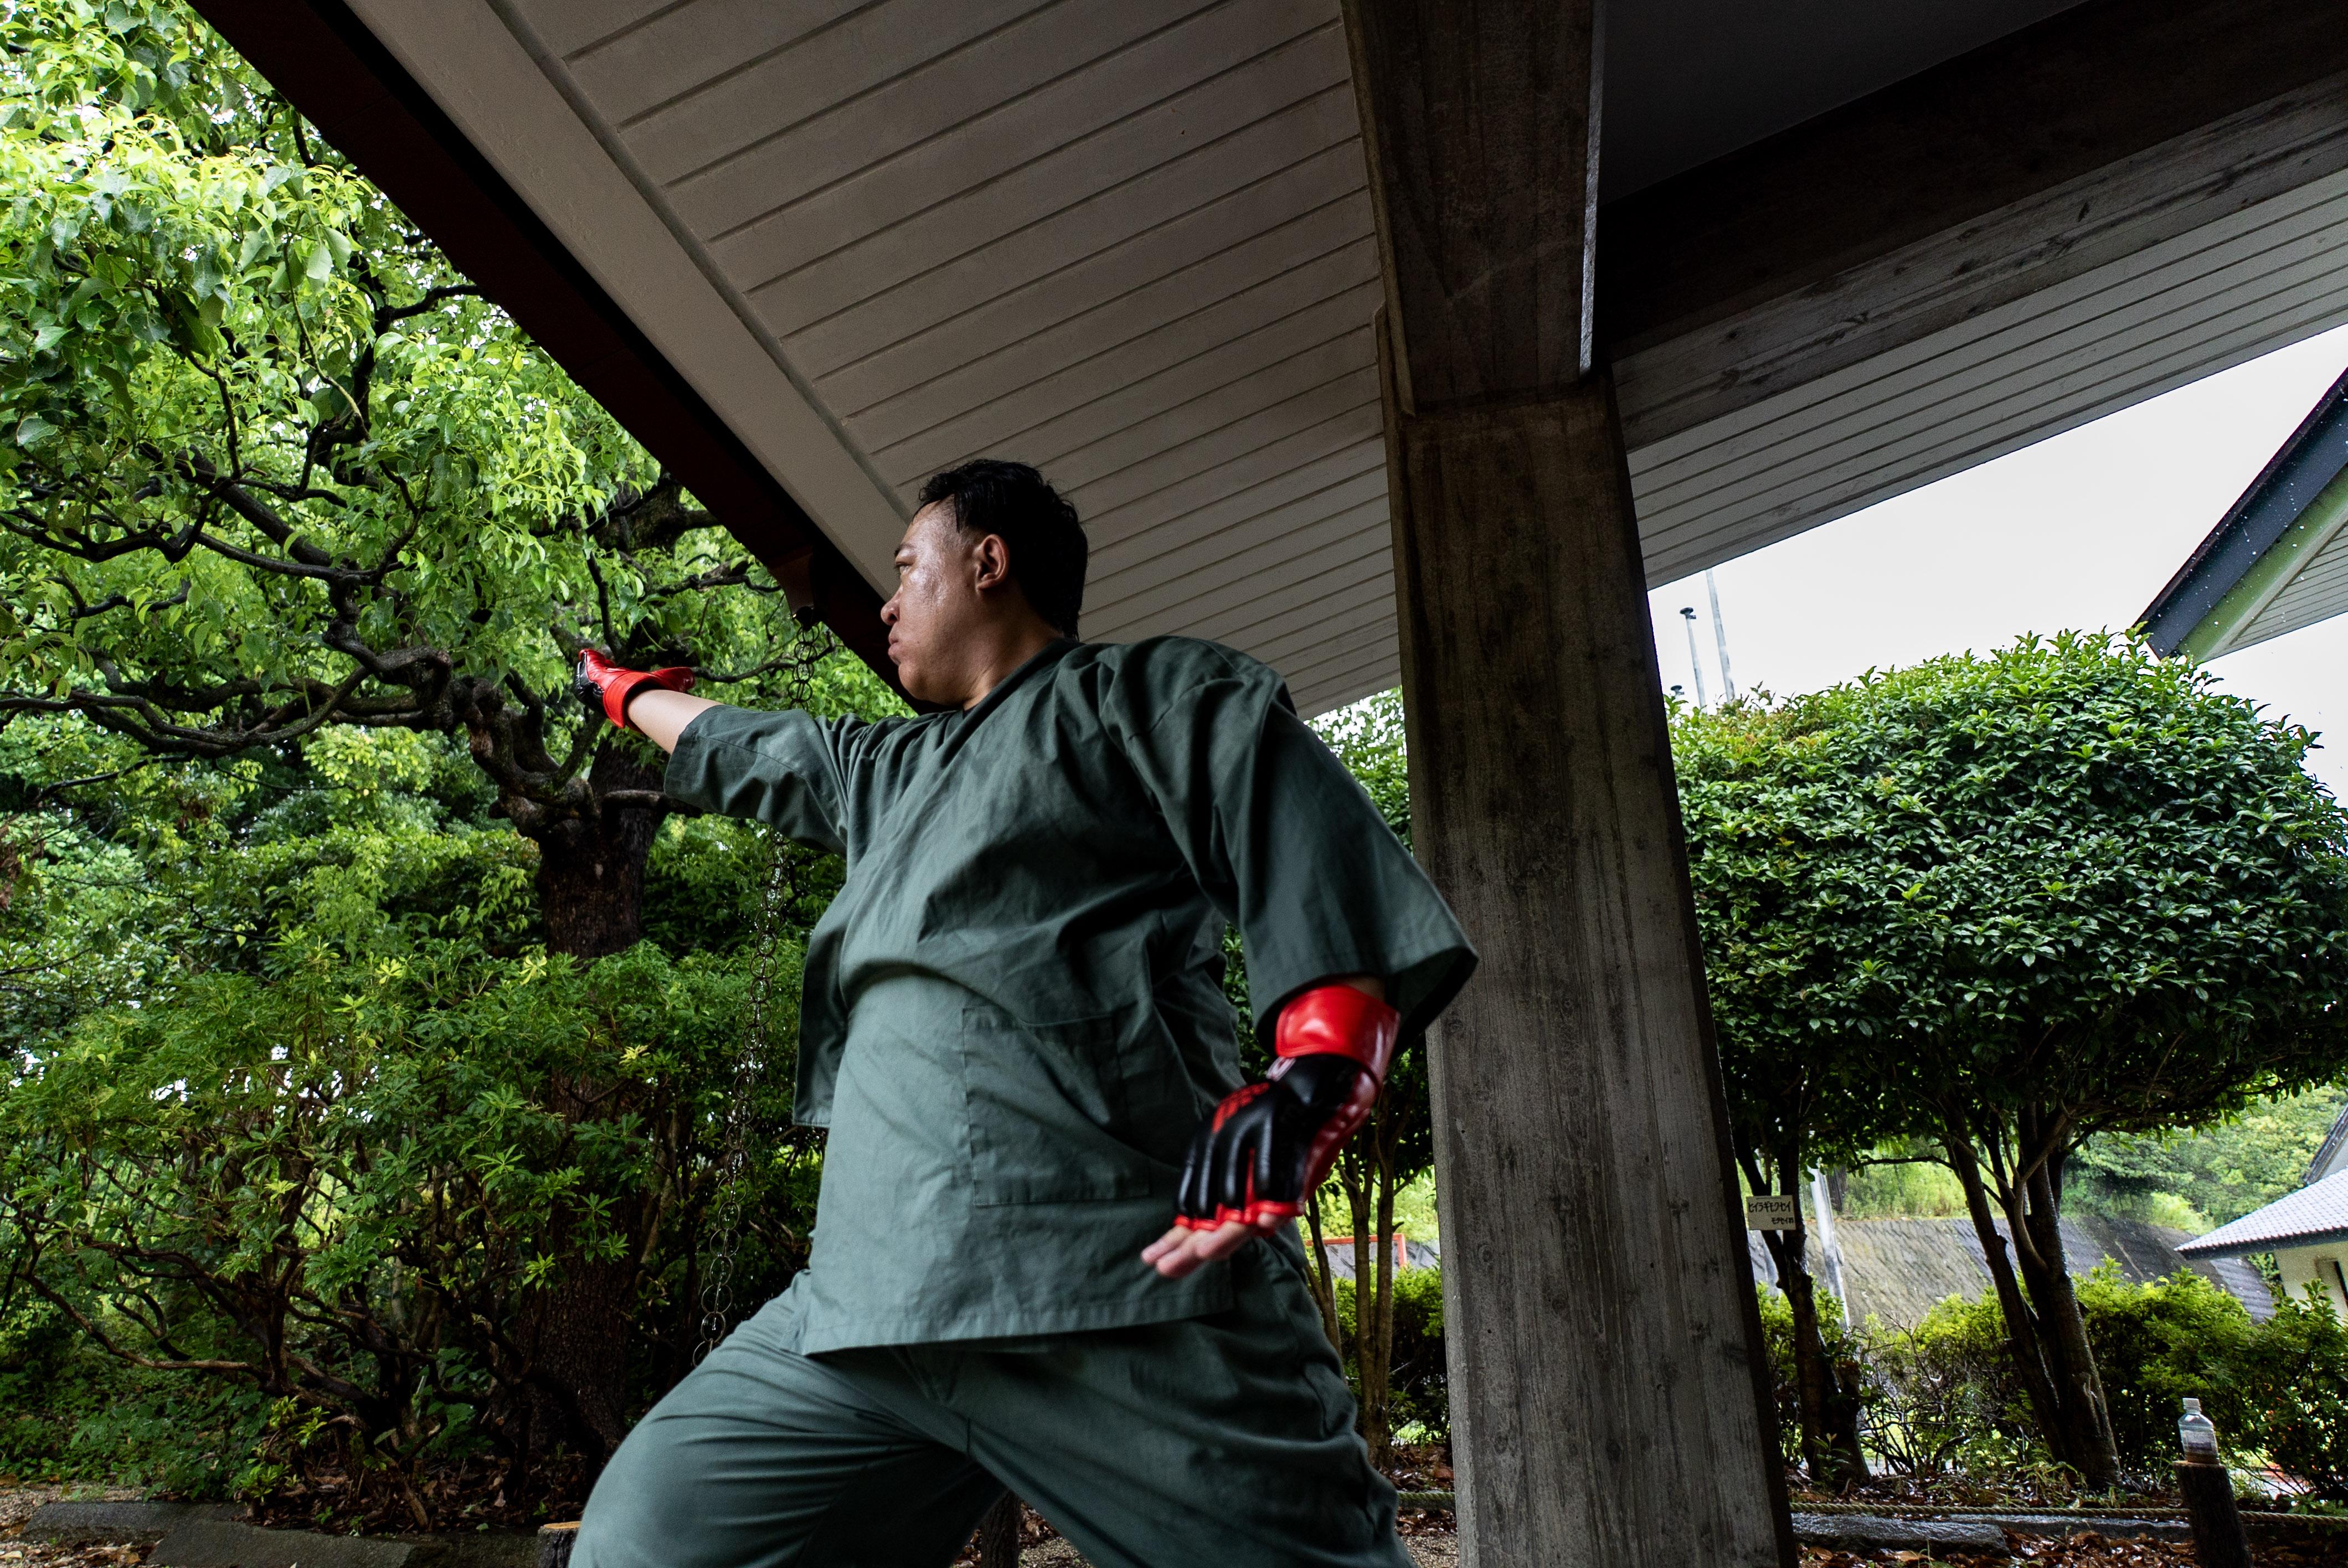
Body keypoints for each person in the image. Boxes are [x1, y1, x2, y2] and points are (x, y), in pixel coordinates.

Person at [567, 459, 1474, 1568]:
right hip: (863, 1314)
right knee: (651, 1541)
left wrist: (1316, 1073)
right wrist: (620, 693)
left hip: (1117, 1293)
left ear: (989, 562)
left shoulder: (1144, 696)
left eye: (908, 566)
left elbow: (1290, 835)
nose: (888, 602)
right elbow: (754, 746)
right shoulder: (889, 771)